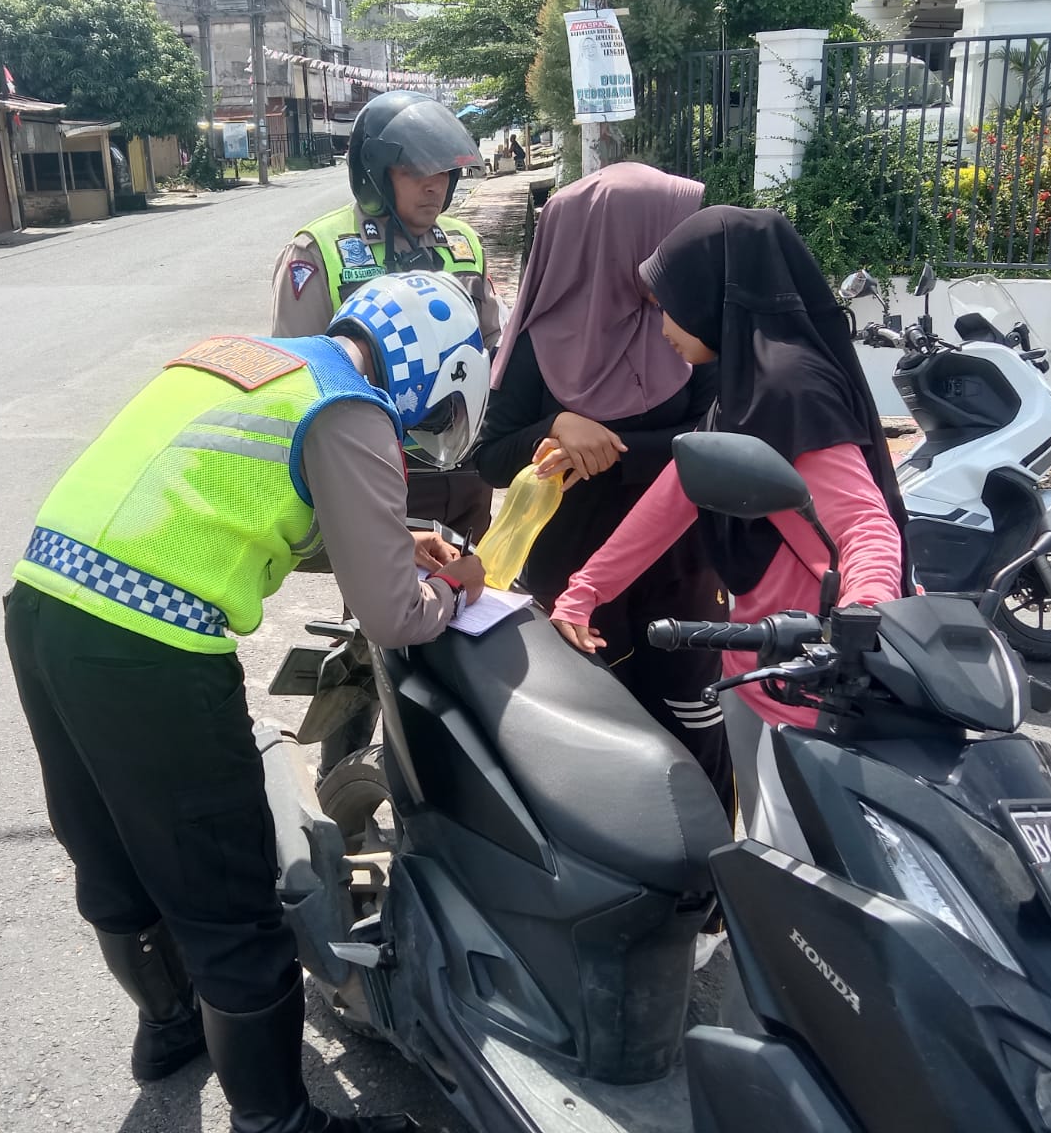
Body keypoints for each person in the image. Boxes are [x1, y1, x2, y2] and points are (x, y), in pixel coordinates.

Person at [4, 272, 490, 1133]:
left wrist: (384, 536)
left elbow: (226, 505)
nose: (423, 429)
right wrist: (457, 593)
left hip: (43, 604)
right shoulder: (352, 410)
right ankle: (277, 1121)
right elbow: (393, 615)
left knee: (109, 847)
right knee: (226, 895)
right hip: (148, 651)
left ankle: (166, 1030)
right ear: (433, 372)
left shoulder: (243, 357)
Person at [550, 206, 907, 861]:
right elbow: (678, 493)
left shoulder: (789, 392)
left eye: (670, 306)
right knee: (767, 848)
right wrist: (586, 588)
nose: (661, 328)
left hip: (811, 682)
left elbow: (864, 528)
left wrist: (859, 623)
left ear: (716, 297)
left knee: (804, 877)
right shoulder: (743, 389)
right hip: (756, 663)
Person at [471, 162, 734, 816]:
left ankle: (707, 899)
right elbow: (491, 459)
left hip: (681, 579)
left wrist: (606, 453)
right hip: (571, 584)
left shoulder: (693, 334)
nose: (677, 260)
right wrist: (554, 425)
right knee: (595, 753)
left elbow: (715, 447)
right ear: (616, 246)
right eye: (664, 241)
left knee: (696, 742)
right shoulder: (539, 340)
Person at [271, 90, 503, 540]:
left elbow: (495, 349)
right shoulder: (319, 251)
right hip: (374, 470)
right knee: (382, 605)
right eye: (414, 171)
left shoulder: (465, 246)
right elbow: (295, 386)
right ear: (375, 175)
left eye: (443, 172)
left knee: (472, 594)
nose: (433, 185)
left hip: (467, 465)